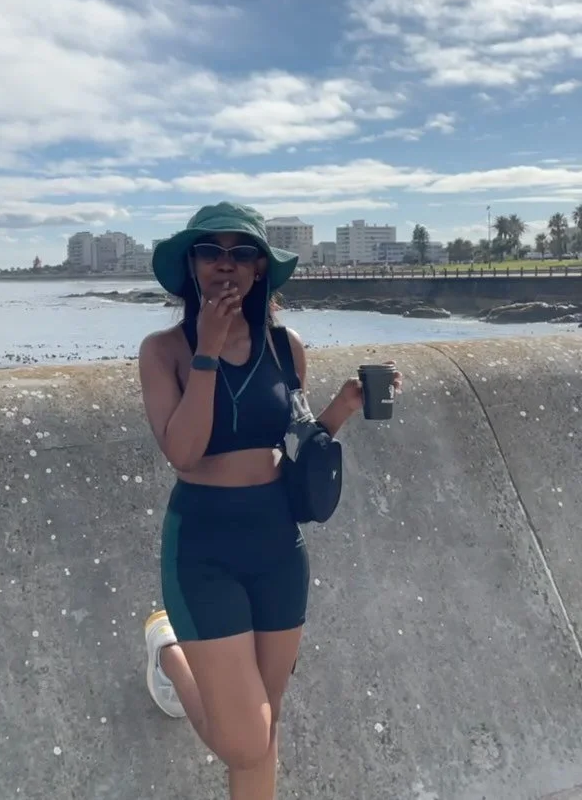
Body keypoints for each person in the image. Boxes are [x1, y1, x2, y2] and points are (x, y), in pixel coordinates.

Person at [138, 201, 402, 800]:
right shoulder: (164, 351)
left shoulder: (287, 347)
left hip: (279, 542)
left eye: (241, 254)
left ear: (260, 269)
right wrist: (206, 349)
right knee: (245, 740)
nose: (225, 266)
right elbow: (183, 450)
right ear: (192, 267)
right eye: (212, 252)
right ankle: (170, 654)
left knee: (267, 718)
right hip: (204, 545)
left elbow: (296, 441)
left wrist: (344, 406)